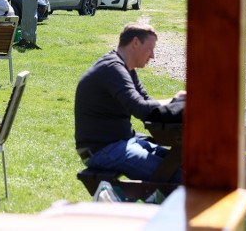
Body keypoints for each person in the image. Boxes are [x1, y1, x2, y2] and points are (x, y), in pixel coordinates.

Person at [74, 22, 185, 181]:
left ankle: (155, 200)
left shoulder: (126, 68)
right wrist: (176, 100)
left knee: (180, 163)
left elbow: (147, 103)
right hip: (102, 150)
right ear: (135, 43)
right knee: (177, 176)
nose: (152, 55)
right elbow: (141, 109)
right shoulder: (112, 68)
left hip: (122, 142)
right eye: (150, 49)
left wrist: (176, 103)